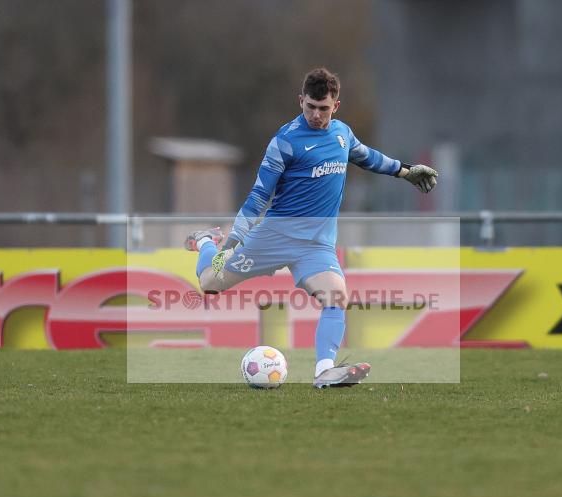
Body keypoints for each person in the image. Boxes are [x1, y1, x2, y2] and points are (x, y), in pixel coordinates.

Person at [185, 67, 438, 388]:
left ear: (336, 106)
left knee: (337, 296)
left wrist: (405, 171)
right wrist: (232, 239)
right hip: (274, 237)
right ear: (300, 100)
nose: (316, 115)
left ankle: (324, 371)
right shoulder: (285, 141)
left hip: (316, 245)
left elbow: (368, 157)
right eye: (310, 107)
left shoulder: (343, 134)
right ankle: (206, 241)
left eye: (324, 108)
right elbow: (259, 194)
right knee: (210, 284)